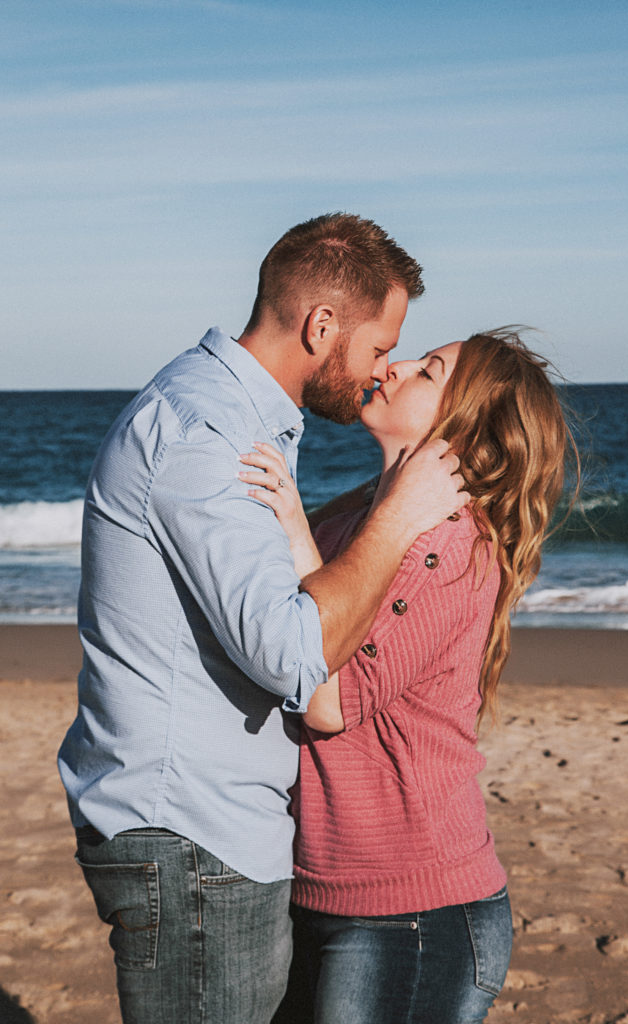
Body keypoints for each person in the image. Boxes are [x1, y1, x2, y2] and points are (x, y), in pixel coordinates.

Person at [57, 213, 470, 1024]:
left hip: (202, 835)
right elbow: (291, 656)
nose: (381, 368)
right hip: (189, 835)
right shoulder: (205, 431)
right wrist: (398, 515)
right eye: (381, 345)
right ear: (323, 326)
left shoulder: (236, 420)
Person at [250, 328, 576, 1024]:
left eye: (427, 372)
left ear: (468, 434)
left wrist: (288, 524)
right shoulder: (353, 523)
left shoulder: (452, 547)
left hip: (413, 913)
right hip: (322, 891)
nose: (393, 368)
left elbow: (325, 700)